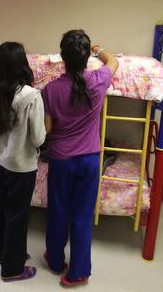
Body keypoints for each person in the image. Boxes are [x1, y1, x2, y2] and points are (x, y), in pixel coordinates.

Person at [42, 30, 119, 287]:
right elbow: (113, 61)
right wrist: (98, 50)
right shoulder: (98, 80)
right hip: (89, 161)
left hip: (61, 160)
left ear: (63, 57)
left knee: (58, 211)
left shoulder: (50, 90)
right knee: (82, 215)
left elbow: (48, 130)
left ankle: (54, 259)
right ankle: (78, 272)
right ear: (86, 57)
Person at [0, 42, 46, 282]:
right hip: (21, 167)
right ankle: (12, 269)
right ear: (22, 65)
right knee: (17, 216)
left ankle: (4, 255)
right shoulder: (30, 96)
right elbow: (38, 138)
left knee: (0, 211)